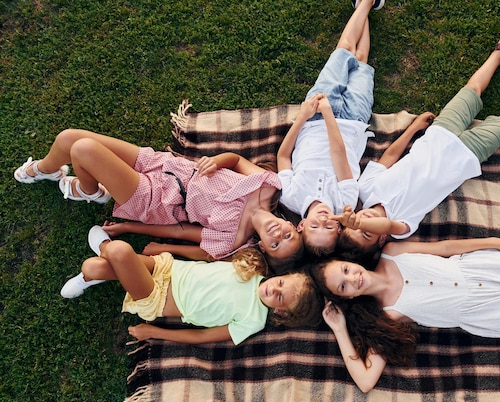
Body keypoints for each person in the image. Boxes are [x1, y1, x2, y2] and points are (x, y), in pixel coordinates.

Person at [333, 19, 500, 265]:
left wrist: (413, 129)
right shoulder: (402, 226)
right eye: (366, 232)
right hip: (467, 154)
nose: (363, 221)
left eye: (357, 224)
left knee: (472, 90)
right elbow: (387, 225)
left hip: (439, 134)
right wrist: (359, 225)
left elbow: (388, 158)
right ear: (381, 239)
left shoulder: (365, 192)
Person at [308, 238, 500, 392]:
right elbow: (365, 381)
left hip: (485, 266)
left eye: (346, 271)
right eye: (344, 286)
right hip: (492, 310)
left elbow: (446, 247)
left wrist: (494, 242)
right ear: (345, 297)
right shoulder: (386, 316)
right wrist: (338, 329)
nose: (352, 279)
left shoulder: (392, 252)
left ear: (351, 261)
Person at [13, 130, 303, 267]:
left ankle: (90, 191)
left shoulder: (233, 240)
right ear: (292, 225)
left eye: (275, 246)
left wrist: (129, 229)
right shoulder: (269, 185)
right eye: (288, 236)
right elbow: (236, 160)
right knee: (68, 138)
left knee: (83, 150)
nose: (278, 236)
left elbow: (181, 233)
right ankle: (44, 171)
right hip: (168, 166)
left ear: (264, 247)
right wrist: (217, 161)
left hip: (157, 200)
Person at [61, 226, 322, 345]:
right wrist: (166, 248)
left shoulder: (253, 320)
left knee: (118, 252)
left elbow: (202, 336)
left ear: (281, 312)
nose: (272, 289)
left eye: (278, 297)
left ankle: (105, 247)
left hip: (158, 298)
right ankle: (91, 276)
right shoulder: (255, 268)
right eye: (280, 283)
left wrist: (154, 332)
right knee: (93, 268)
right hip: (167, 268)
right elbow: (208, 257)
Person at [276, 0, 384, 259]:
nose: (323, 219)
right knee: (360, 61)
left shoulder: (289, 197)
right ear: (339, 227)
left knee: (344, 50)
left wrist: (302, 117)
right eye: (330, 227)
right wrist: (328, 113)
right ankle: (364, 5)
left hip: (313, 117)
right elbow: (338, 153)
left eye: (315, 226)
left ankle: (366, 3)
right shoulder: (345, 201)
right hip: (353, 122)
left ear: (301, 226)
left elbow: (282, 157)